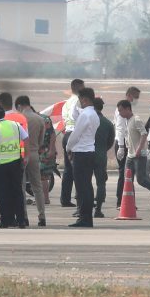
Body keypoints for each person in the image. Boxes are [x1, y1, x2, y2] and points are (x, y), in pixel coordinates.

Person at [0, 105, 28, 228]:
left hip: (0, 166)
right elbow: (26, 139)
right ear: (4, 115)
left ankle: (6, 220)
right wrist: (26, 156)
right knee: (17, 192)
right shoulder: (16, 125)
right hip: (16, 163)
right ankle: (21, 220)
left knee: (2, 194)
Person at [66, 87, 100, 228]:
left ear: (85, 100)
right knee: (87, 186)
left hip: (81, 153)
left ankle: (84, 218)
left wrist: (68, 147)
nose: (79, 102)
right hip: (90, 151)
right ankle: (87, 217)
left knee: (82, 187)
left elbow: (75, 134)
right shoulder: (94, 114)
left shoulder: (85, 115)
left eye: (80, 100)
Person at [16, 95, 47, 227]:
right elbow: (41, 141)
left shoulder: (18, 119)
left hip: (21, 154)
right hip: (34, 153)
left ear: (19, 106)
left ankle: (24, 217)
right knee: (37, 187)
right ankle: (42, 217)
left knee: (21, 187)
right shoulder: (40, 119)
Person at [116, 98, 150, 199]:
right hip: (130, 155)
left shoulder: (136, 119)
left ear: (128, 109)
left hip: (139, 155)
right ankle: (129, 202)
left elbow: (144, 134)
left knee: (141, 180)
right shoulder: (127, 121)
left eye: (121, 110)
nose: (119, 113)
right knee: (127, 179)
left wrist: (139, 149)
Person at [59, 78, 86, 208]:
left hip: (67, 135)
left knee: (68, 170)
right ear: (79, 88)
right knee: (78, 169)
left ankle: (65, 198)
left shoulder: (67, 103)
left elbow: (64, 119)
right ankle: (81, 198)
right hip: (75, 135)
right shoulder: (79, 102)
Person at [114, 87, 140, 206]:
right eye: (136, 97)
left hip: (126, 143)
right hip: (122, 143)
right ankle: (121, 201)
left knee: (128, 173)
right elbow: (120, 128)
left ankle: (128, 200)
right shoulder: (122, 109)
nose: (137, 100)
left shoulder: (127, 108)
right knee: (124, 173)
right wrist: (121, 146)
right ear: (129, 95)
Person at [92, 97, 114, 219]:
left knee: (84, 182)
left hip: (87, 154)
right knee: (101, 183)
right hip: (100, 155)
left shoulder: (87, 119)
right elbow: (110, 142)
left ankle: (82, 208)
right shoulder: (108, 123)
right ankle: (98, 209)